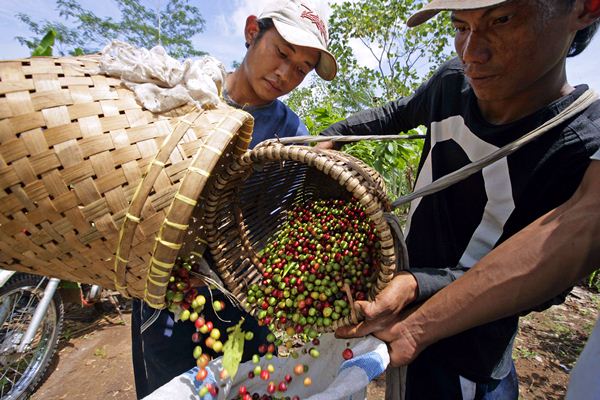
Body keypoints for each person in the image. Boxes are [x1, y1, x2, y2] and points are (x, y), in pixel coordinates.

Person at [319, 0, 600, 398]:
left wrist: (418, 285)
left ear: (584, 9)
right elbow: (398, 113)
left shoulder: (579, 141)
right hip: (396, 324)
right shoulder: (454, 82)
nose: (472, 53)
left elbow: (545, 275)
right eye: (460, 26)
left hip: (469, 356)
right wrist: (334, 134)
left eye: (501, 20)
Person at [130, 1, 337, 398]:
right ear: (250, 32)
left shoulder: (291, 133)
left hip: (241, 297)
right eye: (281, 53)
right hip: (168, 297)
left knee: (249, 384)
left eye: (300, 69)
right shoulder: (191, 96)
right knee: (173, 387)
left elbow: (276, 224)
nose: (284, 74)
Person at [338, 148, 600, 398]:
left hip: (472, 353)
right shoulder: (446, 100)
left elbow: (564, 256)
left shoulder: (579, 135)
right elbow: (393, 114)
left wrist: (417, 311)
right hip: (417, 338)